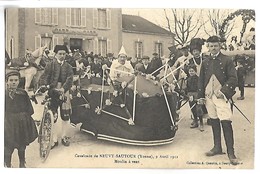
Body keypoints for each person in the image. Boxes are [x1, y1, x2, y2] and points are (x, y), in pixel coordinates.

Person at [198, 36, 239, 165]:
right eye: (211, 46)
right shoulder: (205, 62)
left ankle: (231, 153)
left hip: (221, 96)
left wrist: (224, 91)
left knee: (225, 122)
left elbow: (233, 78)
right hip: (209, 96)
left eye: (215, 45)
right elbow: (201, 80)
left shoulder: (227, 60)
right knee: (214, 121)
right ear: (208, 47)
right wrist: (201, 96)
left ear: (220, 46)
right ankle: (217, 147)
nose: (213, 48)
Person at [39, 44, 74, 149]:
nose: (62, 56)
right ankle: (53, 139)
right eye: (60, 54)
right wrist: (45, 87)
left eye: (64, 54)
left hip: (64, 91)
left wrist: (64, 88)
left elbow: (70, 78)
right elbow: (45, 76)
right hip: (52, 91)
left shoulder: (68, 66)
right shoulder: (50, 65)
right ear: (55, 54)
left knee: (65, 116)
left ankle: (64, 137)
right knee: (52, 115)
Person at [5, 70, 38, 168]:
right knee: (8, 146)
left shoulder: (23, 94)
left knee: (21, 145)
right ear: (6, 81)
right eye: (11, 80)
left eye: (16, 80)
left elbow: (30, 109)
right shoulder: (4, 95)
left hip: (21, 123)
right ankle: (7, 165)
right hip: (8, 123)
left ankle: (22, 164)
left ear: (19, 81)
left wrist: (25, 118)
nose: (13, 82)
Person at [186, 65, 204, 131]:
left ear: (195, 71)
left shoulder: (198, 79)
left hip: (197, 94)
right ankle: (196, 121)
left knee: (198, 109)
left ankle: (201, 123)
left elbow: (200, 88)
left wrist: (199, 96)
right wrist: (188, 95)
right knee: (193, 109)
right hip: (190, 95)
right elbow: (187, 89)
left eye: (192, 71)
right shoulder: (188, 79)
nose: (191, 72)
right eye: (190, 71)